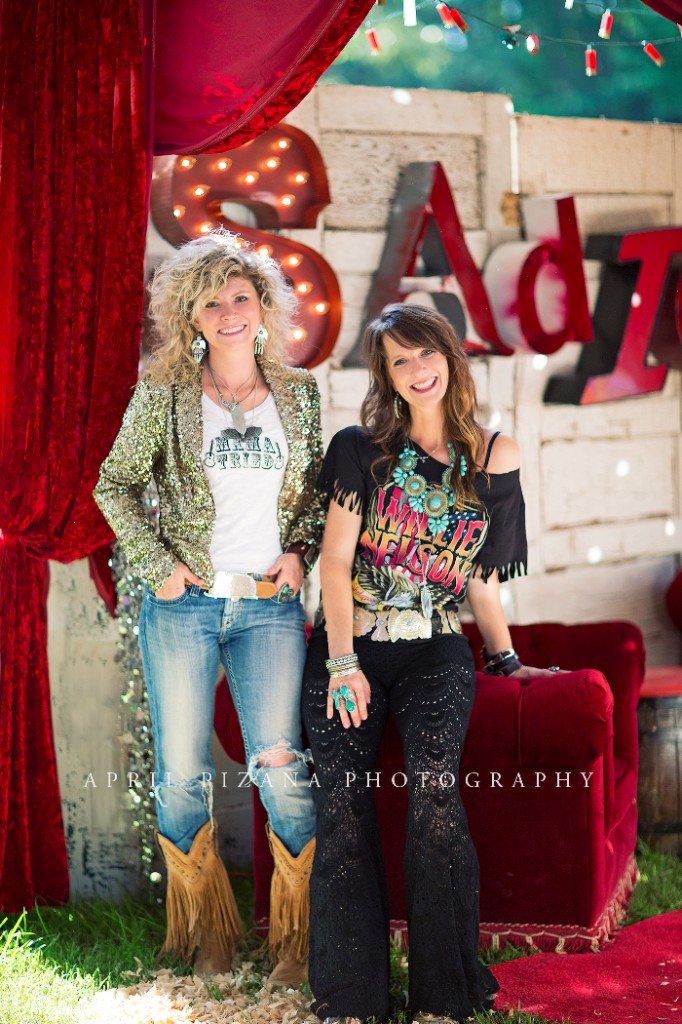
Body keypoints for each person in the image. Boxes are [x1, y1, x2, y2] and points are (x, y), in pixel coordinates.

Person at [302, 303, 555, 1024]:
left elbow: (481, 580)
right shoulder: (360, 449)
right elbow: (335, 560)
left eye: (427, 353)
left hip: (435, 651)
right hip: (348, 648)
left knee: (436, 795)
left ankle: (444, 995)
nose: (417, 370)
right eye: (400, 361)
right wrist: (343, 663)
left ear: (450, 355)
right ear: (386, 375)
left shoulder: (495, 455)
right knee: (341, 806)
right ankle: (352, 998)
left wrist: (505, 659)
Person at [95, 230, 324, 984]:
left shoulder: (299, 394)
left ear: (264, 307)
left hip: (268, 609)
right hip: (183, 608)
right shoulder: (163, 394)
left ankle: (298, 940)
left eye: (241, 297)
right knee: (181, 774)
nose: (229, 313)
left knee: (281, 766)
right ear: (190, 316)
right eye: (211, 302)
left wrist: (302, 551)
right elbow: (113, 485)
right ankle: (208, 937)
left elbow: (314, 499)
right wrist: (158, 567)